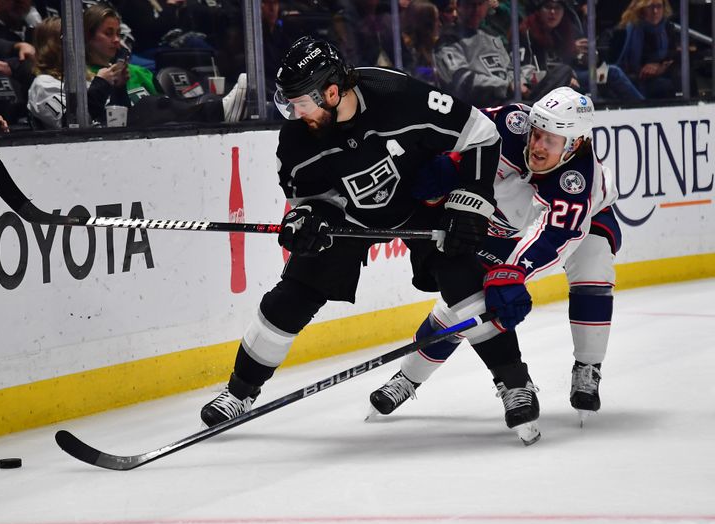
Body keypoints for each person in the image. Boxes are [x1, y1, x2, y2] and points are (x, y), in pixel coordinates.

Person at [199, 36, 541, 445]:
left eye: (300, 102)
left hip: (421, 203)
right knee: (290, 297)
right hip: (349, 218)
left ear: (330, 91)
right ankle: (239, 392)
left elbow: (481, 134)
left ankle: (515, 382)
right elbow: (307, 199)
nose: (293, 112)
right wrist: (306, 221)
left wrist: (471, 203)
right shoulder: (295, 139)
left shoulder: (398, 96)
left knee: (465, 284)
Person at [370, 86, 620, 426]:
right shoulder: (510, 123)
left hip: (582, 223)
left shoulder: (579, 182)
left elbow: (556, 234)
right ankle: (408, 378)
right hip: (507, 221)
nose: (537, 145)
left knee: (594, 265)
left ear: (575, 144)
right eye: (537, 134)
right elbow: (461, 132)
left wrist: (516, 270)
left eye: (550, 140)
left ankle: (588, 366)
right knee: (468, 297)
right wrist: (445, 167)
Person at [27, 14, 245, 128]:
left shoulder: (83, 78)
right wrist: (103, 84)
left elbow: (113, 112)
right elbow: (69, 122)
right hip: (83, 149)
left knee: (161, 110)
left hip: (109, 138)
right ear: (55, 45)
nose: (80, 47)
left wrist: (118, 89)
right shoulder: (43, 85)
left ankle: (217, 110)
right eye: (72, 41)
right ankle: (218, 112)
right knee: (151, 105)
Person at [434, 0, 565, 108]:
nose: (476, 10)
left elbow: (510, 69)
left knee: (563, 72)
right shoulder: (448, 40)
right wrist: (506, 86)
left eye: (480, 4)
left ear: (487, 6)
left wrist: (532, 78)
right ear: (459, 7)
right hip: (481, 107)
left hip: (512, 99)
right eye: (470, 5)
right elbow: (461, 81)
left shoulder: (491, 35)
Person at [520, 0, 644, 102]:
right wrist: (568, 69)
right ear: (539, 10)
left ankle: (639, 108)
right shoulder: (527, 32)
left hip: (576, 76)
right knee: (613, 72)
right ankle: (645, 107)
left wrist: (586, 56)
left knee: (607, 73)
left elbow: (581, 61)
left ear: (564, 11)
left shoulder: (566, 29)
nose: (553, 12)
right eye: (548, 7)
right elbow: (528, 72)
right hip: (549, 83)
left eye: (557, 8)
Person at [613, 0, 681, 99]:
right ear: (640, 9)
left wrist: (659, 67)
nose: (655, 11)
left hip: (660, 76)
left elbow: (672, 54)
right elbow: (615, 65)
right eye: (650, 7)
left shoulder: (668, 28)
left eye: (659, 6)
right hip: (631, 79)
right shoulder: (623, 32)